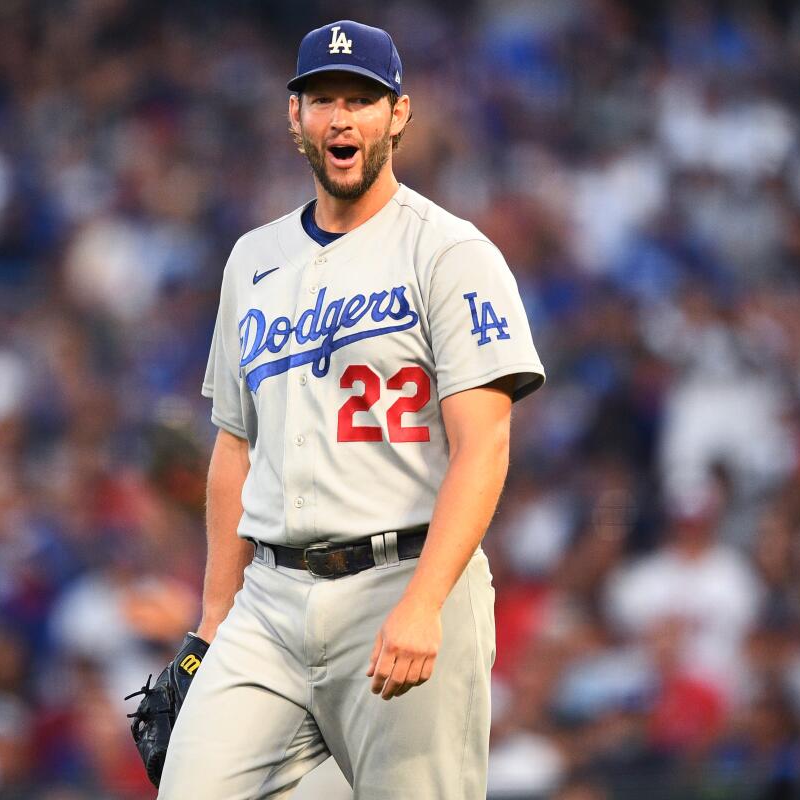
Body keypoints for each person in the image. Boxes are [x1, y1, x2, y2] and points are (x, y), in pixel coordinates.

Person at [157, 19, 545, 798]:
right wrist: (212, 620)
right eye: (323, 99)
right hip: (270, 598)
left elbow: (485, 446)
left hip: (398, 578)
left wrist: (426, 601)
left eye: (362, 99)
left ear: (398, 114)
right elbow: (236, 445)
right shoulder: (253, 260)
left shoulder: (448, 252)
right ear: (293, 117)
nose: (342, 118)